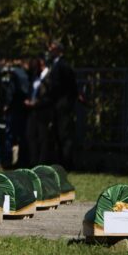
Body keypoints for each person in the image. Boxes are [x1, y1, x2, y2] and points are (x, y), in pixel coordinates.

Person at [46, 41, 79, 170]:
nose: (50, 51)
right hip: (56, 104)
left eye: (53, 49)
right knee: (58, 134)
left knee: (64, 134)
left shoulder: (63, 65)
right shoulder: (55, 64)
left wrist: (67, 101)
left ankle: (67, 163)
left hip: (62, 104)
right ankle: (60, 161)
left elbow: (70, 84)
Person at [25, 56, 54, 166]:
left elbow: (50, 95)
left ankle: (42, 163)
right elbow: (32, 90)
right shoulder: (35, 77)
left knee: (43, 138)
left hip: (43, 111)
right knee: (31, 135)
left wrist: (38, 102)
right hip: (33, 110)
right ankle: (33, 162)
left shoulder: (49, 76)